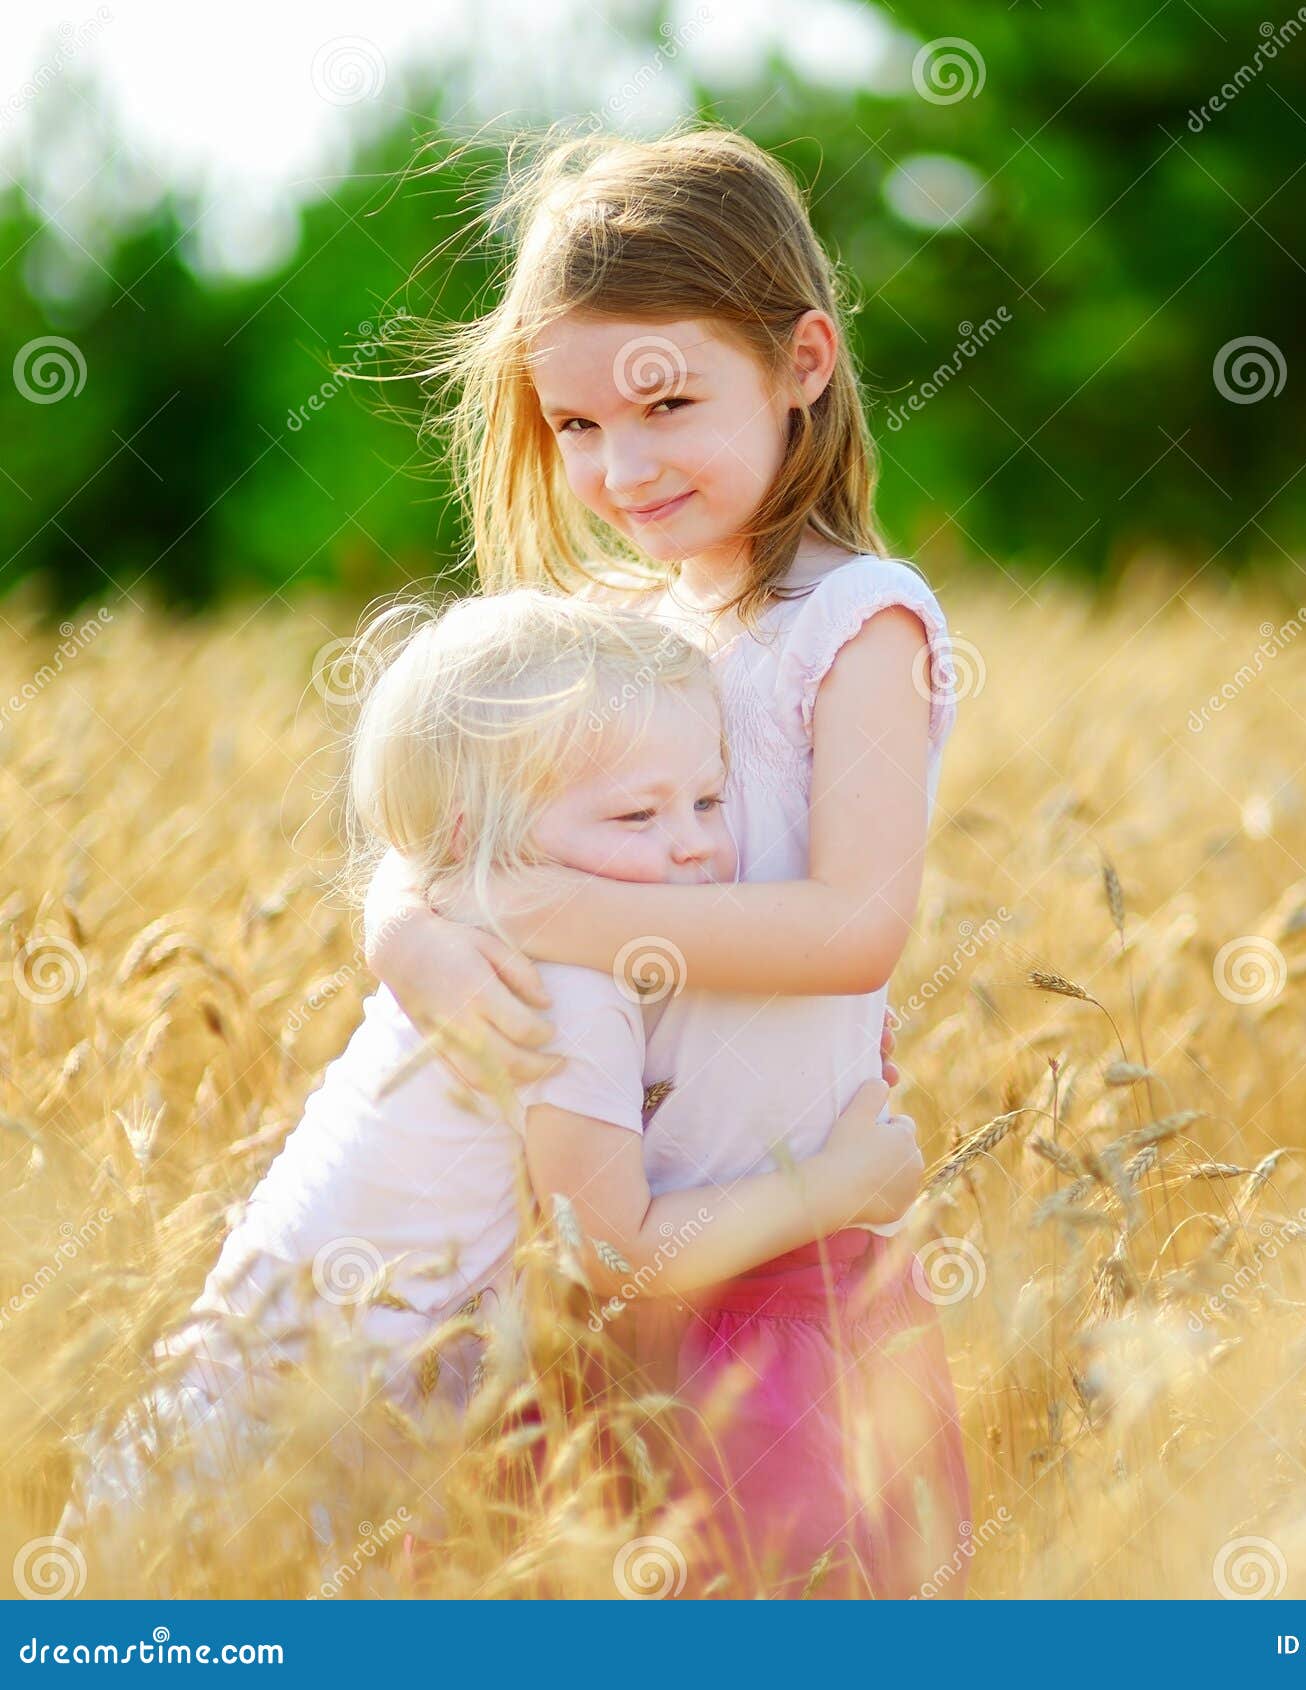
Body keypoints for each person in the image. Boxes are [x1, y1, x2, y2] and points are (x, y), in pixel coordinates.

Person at [363, 122, 973, 1597]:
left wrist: (555, 911)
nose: (618, 465)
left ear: (804, 361)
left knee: (777, 1584)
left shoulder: (860, 623)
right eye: (573, 426)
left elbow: (853, 928)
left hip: (777, 1252)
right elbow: (436, 830)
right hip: (581, 1256)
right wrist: (415, 936)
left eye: (666, 402)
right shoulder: (614, 639)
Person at [57, 589, 921, 1594]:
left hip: (274, 1416)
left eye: (709, 799)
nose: (694, 843)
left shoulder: (482, 917)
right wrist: (847, 1183)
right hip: (277, 1459)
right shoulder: (562, 983)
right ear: (481, 834)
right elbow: (619, 1250)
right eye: (639, 813)